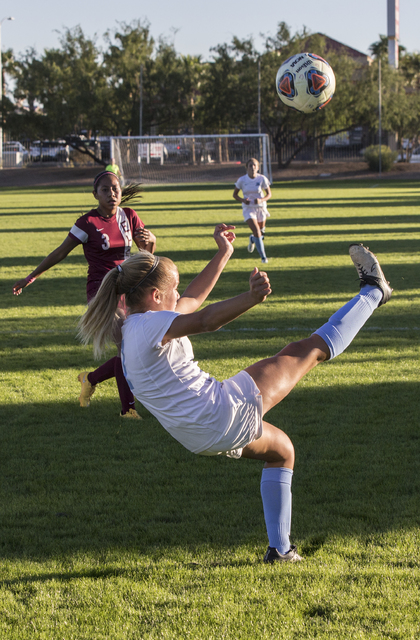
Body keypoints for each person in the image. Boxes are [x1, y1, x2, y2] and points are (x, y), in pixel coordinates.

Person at [78, 228, 392, 563]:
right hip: (221, 411)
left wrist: (224, 252)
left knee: (283, 451)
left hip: (196, 434)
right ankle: (374, 291)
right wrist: (252, 297)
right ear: (156, 296)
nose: (179, 293)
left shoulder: (132, 327)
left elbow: (193, 301)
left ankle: (281, 551)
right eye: (173, 288)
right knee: (307, 350)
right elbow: (206, 319)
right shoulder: (151, 326)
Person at [12, 170, 156, 419]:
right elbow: (60, 252)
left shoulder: (129, 216)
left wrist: (151, 241)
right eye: (105, 190)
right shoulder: (87, 223)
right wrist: (31, 276)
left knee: (132, 349)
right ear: (95, 194)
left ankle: (89, 379)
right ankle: (128, 409)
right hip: (102, 291)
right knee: (126, 347)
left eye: (115, 188)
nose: (112, 193)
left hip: (128, 287)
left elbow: (147, 255)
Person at [233, 158, 272, 264]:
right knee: (257, 232)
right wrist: (243, 200)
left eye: (254, 165)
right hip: (248, 209)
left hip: (261, 208)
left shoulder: (262, 179)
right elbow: (235, 195)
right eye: (250, 165)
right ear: (247, 167)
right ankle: (263, 257)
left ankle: (252, 240)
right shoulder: (242, 180)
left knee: (261, 232)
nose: (252, 167)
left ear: (258, 167)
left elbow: (269, 194)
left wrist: (261, 199)